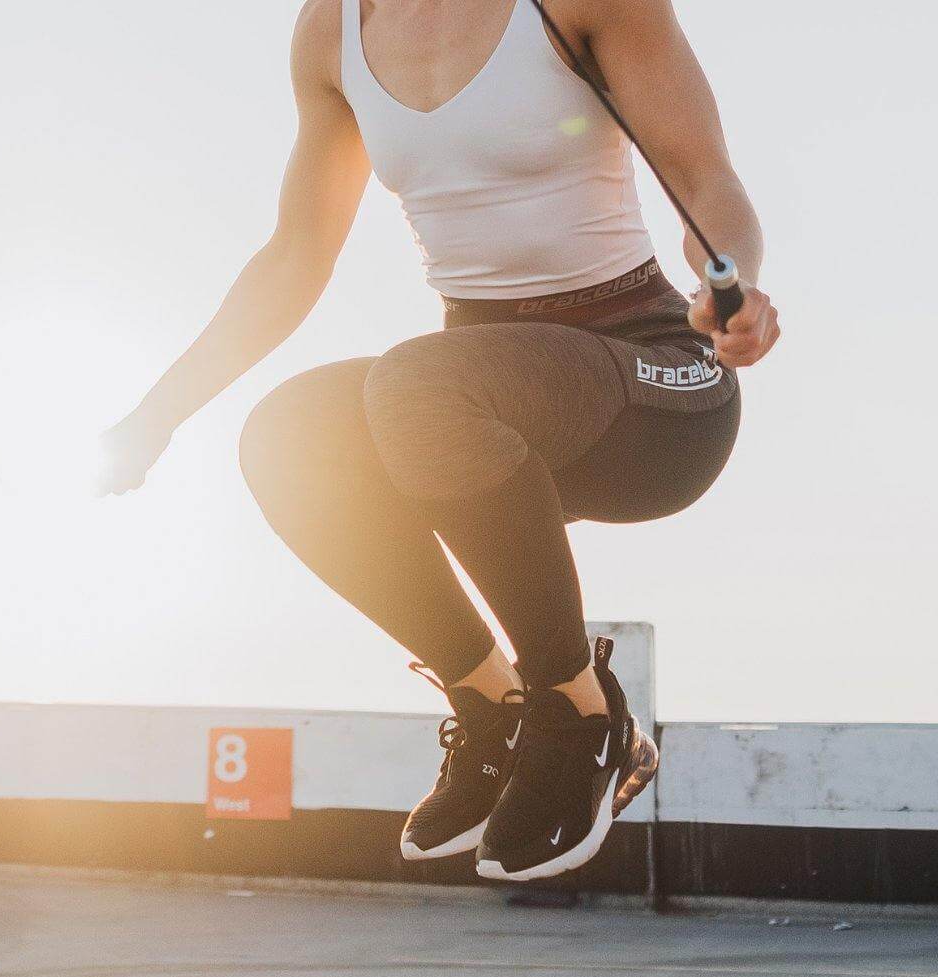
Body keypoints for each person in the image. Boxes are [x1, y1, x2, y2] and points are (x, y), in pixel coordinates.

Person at [99, 0, 780, 882]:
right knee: (288, 432)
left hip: (654, 383)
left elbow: (705, 177)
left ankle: (580, 717)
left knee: (420, 381)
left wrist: (736, 283)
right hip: (484, 401)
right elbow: (295, 257)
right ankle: (490, 705)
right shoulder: (330, 31)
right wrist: (153, 419)